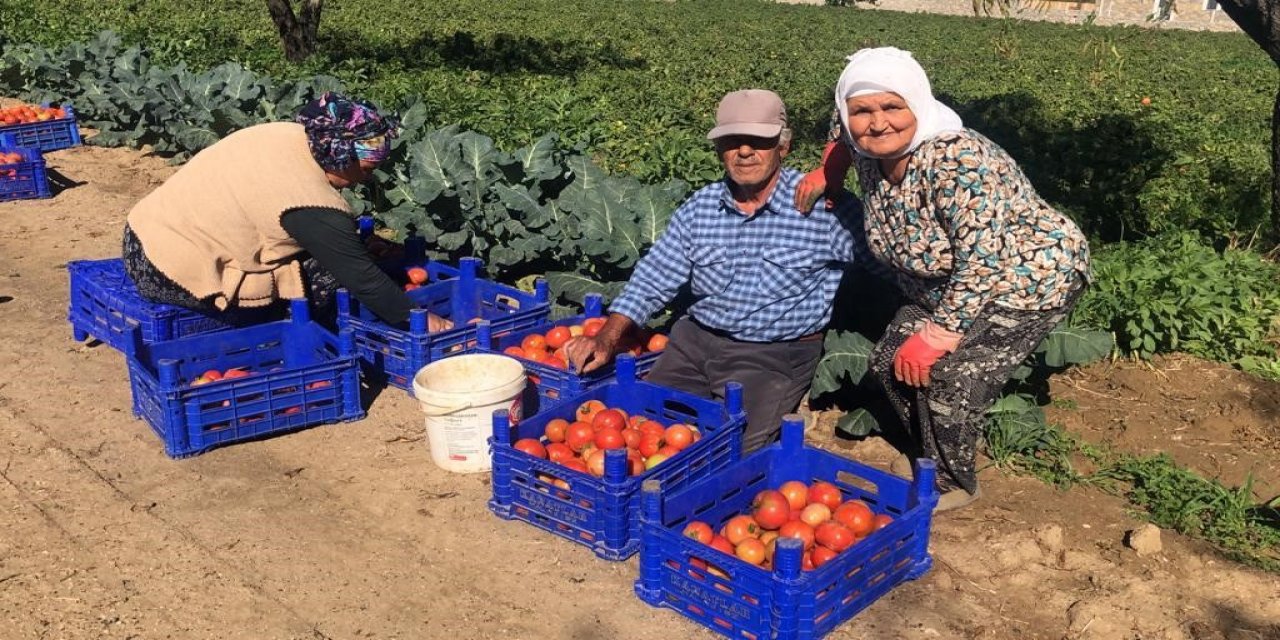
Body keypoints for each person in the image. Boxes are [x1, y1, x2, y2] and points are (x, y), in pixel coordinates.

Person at [794, 47, 1091, 511]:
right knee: (890, 360)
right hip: (941, 286)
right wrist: (830, 170)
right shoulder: (865, 142)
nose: (877, 123)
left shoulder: (955, 160)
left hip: (1023, 280)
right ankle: (931, 453)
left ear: (918, 102)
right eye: (863, 111)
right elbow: (841, 128)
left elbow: (982, 260)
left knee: (950, 380)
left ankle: (953, 483)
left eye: (893, 107)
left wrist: (938, 335)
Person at [565, 89, 871, 453]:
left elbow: (890, 262)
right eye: (732, 141)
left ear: (783, 147)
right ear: (718, 150)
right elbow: (655, 275)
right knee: (642, 431)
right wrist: (607, 336)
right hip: (693, 344)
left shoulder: (825, 208)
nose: (744, 151)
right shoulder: (702, 207)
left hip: (771, 354)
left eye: (758, 141)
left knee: (730, 449)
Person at [121, 92, 450, 331]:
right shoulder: (312, 203)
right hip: (173, 275)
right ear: (339, 156)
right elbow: (363, 279)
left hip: (143, 235)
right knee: (331, 279)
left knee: (339, 253)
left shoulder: (290, 135)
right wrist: (427, 320)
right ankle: (282, 329)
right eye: (365, 168)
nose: (368, 176)